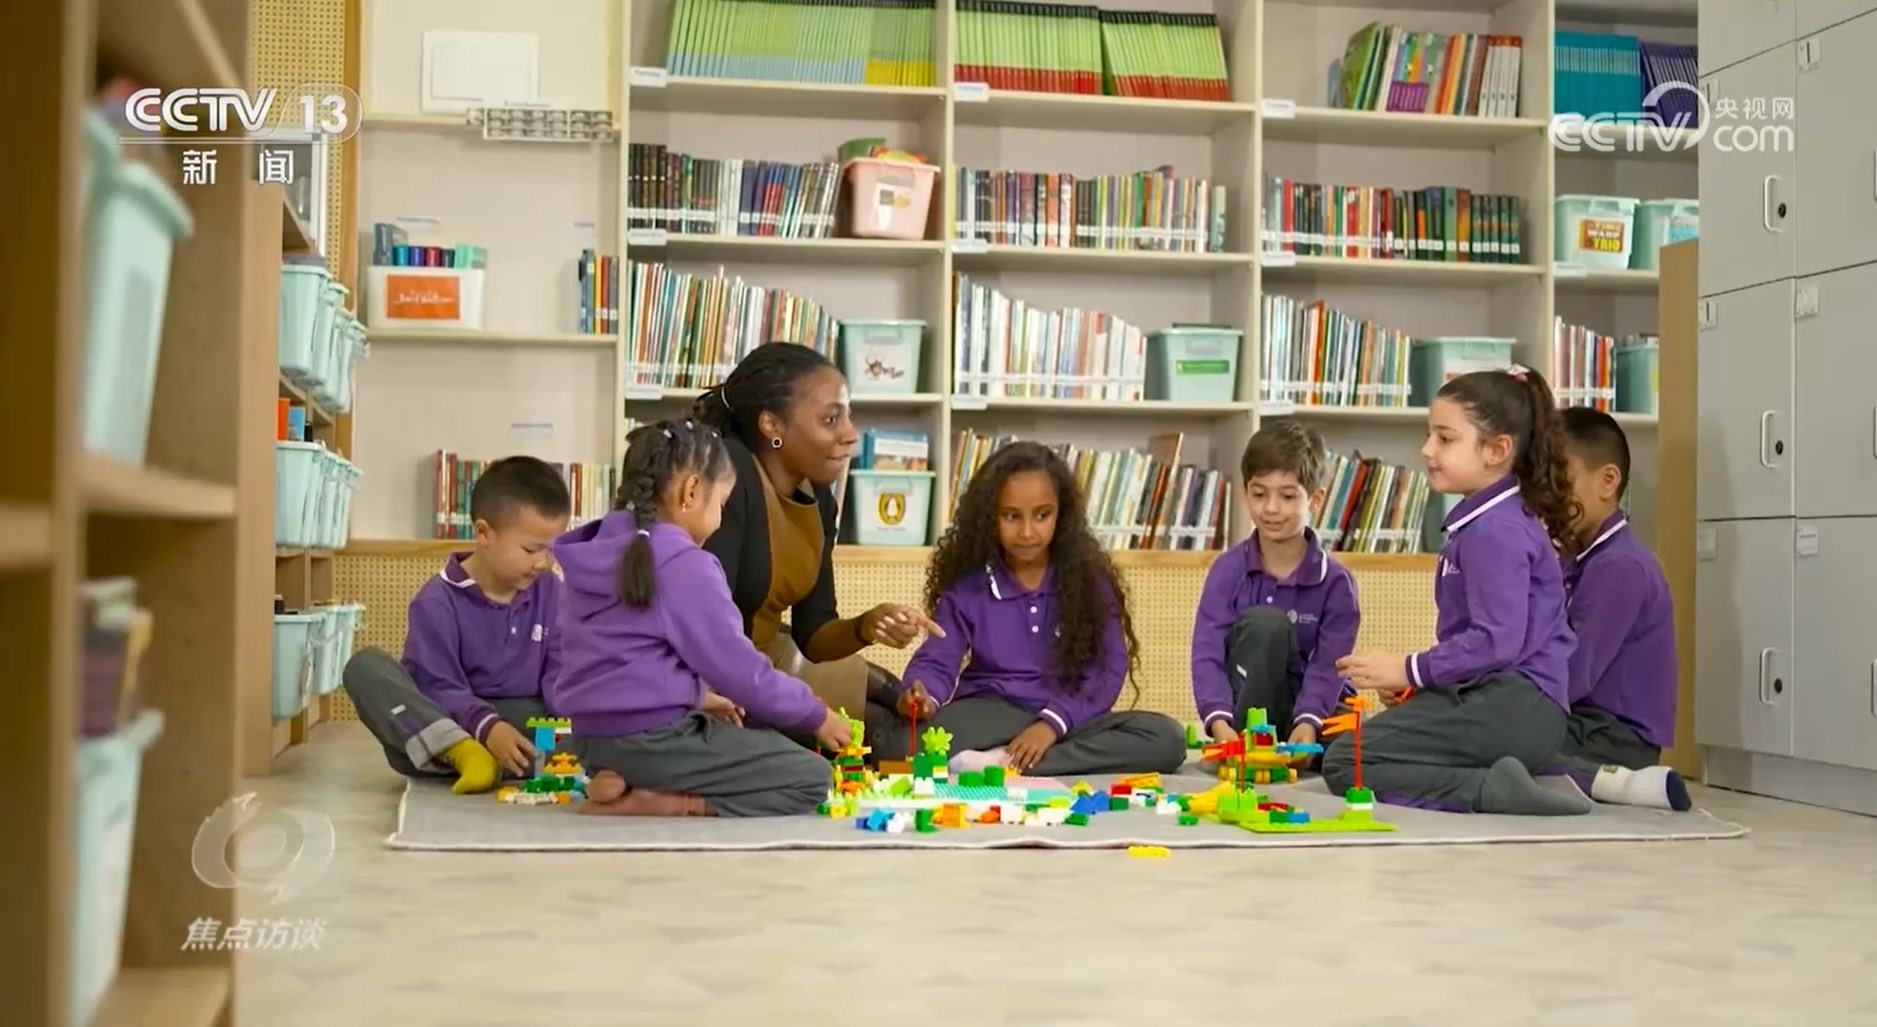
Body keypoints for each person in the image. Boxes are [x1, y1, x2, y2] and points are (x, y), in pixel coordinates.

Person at [550, 419, 850, 817]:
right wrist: (814, 714)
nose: (721, 519)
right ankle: (670, 803)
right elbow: (741, 671)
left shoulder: (598, 550)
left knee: (728, 736)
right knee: (810, 776)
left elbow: (619, 664)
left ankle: (625, 778)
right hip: (653, 742)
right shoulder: (684, 564)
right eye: (721, 505)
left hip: (592, 741)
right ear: (691, 491)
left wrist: (698, 698)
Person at [1331, 368, 1590, 815]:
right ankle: (1511, 777)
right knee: (1367, 747)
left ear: (1497, 450)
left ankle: (1488, 788)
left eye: (1445, 439)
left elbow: (1496, 642)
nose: (1427, 449)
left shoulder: (1496, 530)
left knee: (1346, 761)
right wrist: (1420, 685)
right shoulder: (1486, 522)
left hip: (1515, 706)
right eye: (1429, 435)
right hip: (1506, 701)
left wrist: (1409, 669)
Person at [885, 441, 1187, 776]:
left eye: (1042, 516)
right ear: (989, 517)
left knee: (1167, 739)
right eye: (1011, 516)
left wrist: (1051, 724)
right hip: (990, 713)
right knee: (896, 745)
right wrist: (923, 695)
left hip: (1067, 715)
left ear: (1062, 515)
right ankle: (1023, 757)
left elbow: (1106, 670)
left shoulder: (1090, 580)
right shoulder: (968, 585)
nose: (1027, 532)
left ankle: (1001, 762)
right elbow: (938, 659)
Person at [692, 342, 941, 741]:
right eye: (831, 419)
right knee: (876, 739)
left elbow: (815, 633)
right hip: (719, 678)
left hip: (773, 659)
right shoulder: (730, 474)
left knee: (907, 727)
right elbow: (707, 634)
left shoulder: (818, 496)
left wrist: (867, 625)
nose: (851, 435)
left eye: (848, 416)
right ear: (772, 426)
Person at [342, 456, 568, 794]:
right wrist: (488, 729)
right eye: (532, 549)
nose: (543, 562)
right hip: (453, 723)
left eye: (551, 550)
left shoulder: (551, 591)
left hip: (528, 729)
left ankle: (514, 761)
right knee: (365, 667)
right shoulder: (437, 601)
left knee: (592, 713)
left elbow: (561, 675)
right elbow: (437, 685)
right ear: (484, 533)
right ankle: (464, 754)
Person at [1545, 407, 1690, 810]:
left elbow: (1570, 676)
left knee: (1487, 743)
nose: (1546, 495)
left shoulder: (1620, 565)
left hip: (1612, 738)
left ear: (1607, 481)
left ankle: (1613, 781)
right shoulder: (1574, 558)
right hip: (1578, 724)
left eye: (1559, 480)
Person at [1192, 421, 1360, 749]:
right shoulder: (1227, 571)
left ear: (1315, 499)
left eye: (1287, 496)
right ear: (1245, 493)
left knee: (1355, 750)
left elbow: (1329, 664)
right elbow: (1207, 652)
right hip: (1247, 707)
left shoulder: (1337, 582)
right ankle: (1250, 741)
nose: (1271, 508)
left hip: (1314, 705)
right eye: (1259, 494)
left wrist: (1309, 721)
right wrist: (1219, 722)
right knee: (1266, 623)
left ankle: (1300, 743)